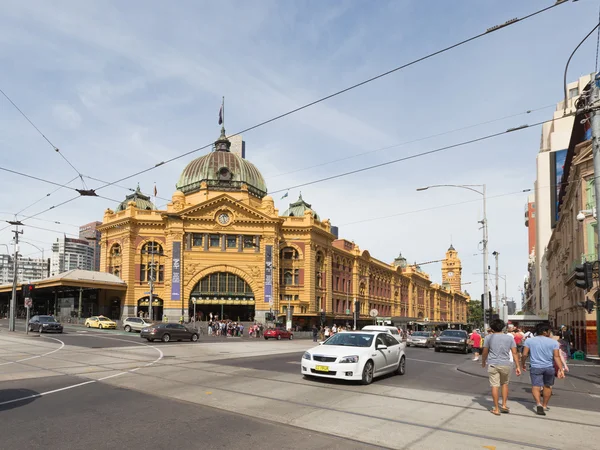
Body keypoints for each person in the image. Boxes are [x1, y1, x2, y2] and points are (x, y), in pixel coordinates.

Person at [522, 323, 565, 416]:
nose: (550, 332)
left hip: (535, 367)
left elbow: (524, 354)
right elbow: (557, 356)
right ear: (545, 332)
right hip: (549, 367)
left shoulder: (529, 341)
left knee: (535, 386)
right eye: (549, 331)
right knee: (548, 386)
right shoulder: (553, 342)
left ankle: (538, 404)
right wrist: (561, 369)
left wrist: (523, 363)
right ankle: (545, 405)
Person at [481, 319, 521, 416]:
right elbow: (514, 353)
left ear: (492, 328)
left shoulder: (488, 338)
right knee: (505, 384)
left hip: (493, 363)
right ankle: (503, 405)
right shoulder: (509, 338)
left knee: (495, 385)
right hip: (506, 364)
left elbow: (485, 351)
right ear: (503, 327)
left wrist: (483, 361)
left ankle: (496, 409)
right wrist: (518, 366)